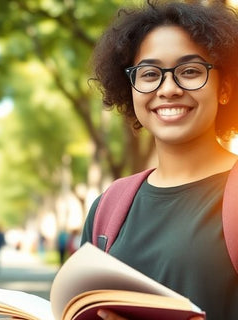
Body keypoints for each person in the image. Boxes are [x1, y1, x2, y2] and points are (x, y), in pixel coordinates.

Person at [80, 1, 238, 319]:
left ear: (225, 87)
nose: (168, 89)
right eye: (149, 74)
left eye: (190, 71)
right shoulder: (108, 207)